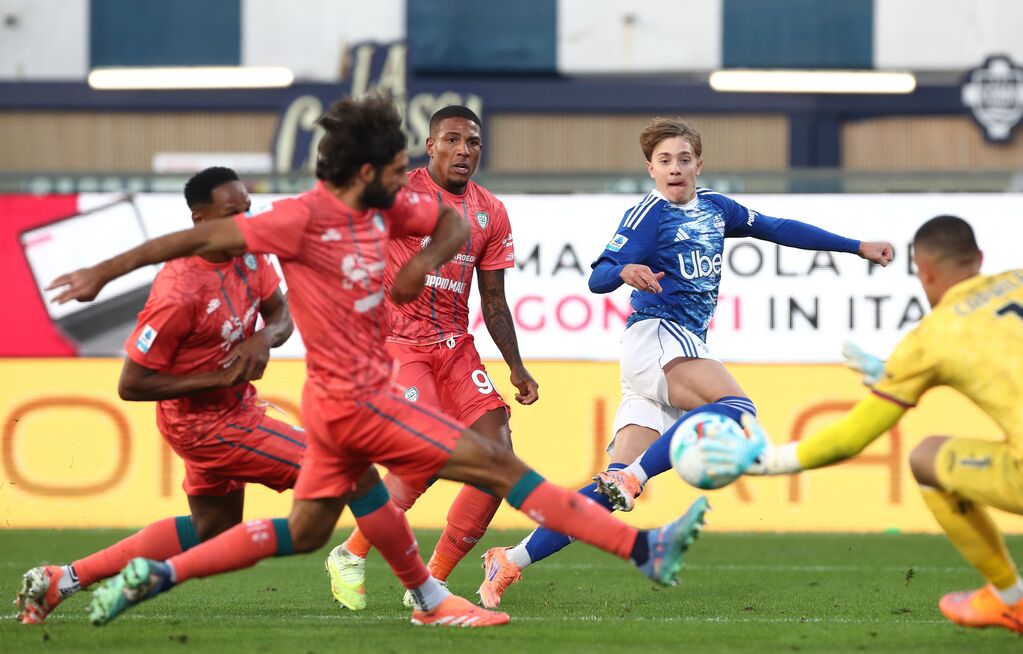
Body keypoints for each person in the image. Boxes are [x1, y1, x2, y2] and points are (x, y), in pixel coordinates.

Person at [47, 96, 709, 629]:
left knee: (306, 531)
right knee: (500, 464)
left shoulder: (393, 206)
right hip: (361, 400)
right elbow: (196, 237)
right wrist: (102, 272)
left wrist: (419, 264)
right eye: (397, 169)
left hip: (343, 407)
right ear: (366, 173)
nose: (408, 181)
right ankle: (639, 551)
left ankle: (162, 574)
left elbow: (451, 227)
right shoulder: (297, 221)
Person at [477, 116, 895, 608]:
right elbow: (599, 277)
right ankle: (635, 476)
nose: (674, 168)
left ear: (699, 163)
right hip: (658, 337)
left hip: (667, 354)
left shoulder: (718, 209)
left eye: (682, 159)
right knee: (736, 409)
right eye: (663, 161)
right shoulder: (648, 214)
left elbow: (779, 229)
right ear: (650, 169)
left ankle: (509, 561)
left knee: (607, 496)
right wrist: (625, 270)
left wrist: (855, 246)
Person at [15, 167, 300, 625]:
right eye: (233, 213)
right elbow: (131, 385)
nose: (246, 222)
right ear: (200, 220)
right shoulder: (177, 291)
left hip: (233, 408)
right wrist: (217, 378)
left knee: (213, 529)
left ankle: (61, 579)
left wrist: (264, 339)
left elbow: (282, 314)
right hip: (204, 425)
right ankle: (425, 591)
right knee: (337, 473)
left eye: (248, 210)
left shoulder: (250, 256)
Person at [748, 215, 1023, 634]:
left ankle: (1010, 598)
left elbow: (851, 437)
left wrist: (767, 461)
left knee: (926, 458)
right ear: (980, 257)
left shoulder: (933, 337)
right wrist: (894, 370)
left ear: (924, 272)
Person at [324, 105, 538, 610]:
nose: (464, 150)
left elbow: (493, 298)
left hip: (455, 345)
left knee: (498, 459)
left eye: (473, 142)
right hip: (398, 342)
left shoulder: (490, 211)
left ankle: (429, 584)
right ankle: (351, 554)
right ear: (430, 144)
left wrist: (516, 365)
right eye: (452, 140)